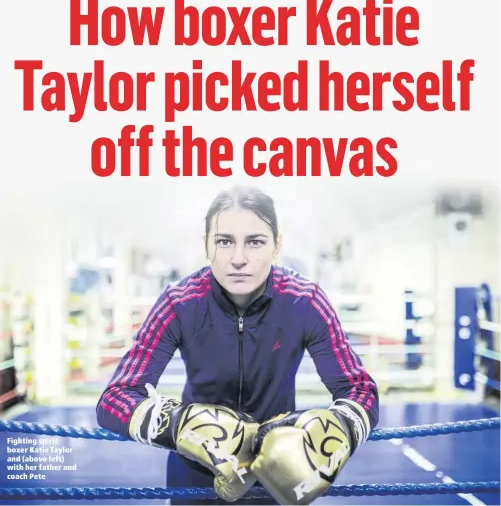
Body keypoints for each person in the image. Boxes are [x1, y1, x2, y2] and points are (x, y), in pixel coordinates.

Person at [96, 185, 379, 505]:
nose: (239, 259)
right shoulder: (179, 302)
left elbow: (359, 389)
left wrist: (336, 430)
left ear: (277, 245)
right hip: (194, 477)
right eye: (224, 241)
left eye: (255, 242)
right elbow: (115, 399)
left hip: (277, 475)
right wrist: (178, 425)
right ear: (206, 245)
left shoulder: (305, 300)